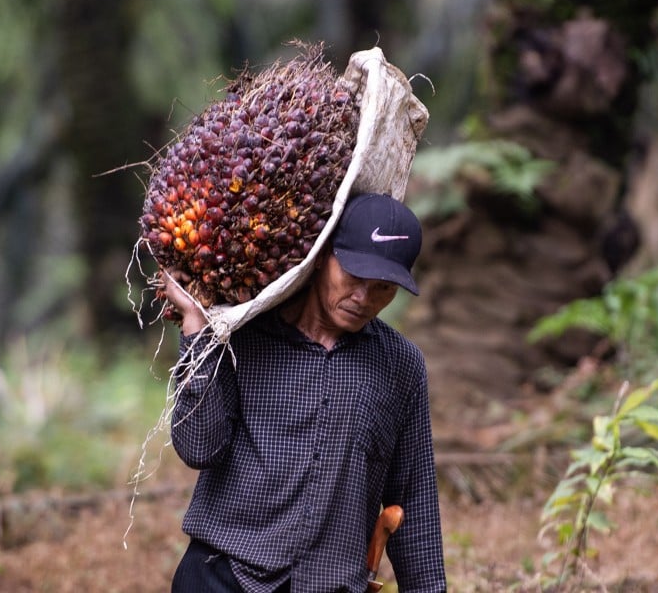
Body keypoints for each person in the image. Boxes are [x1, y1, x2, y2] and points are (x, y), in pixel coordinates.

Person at [161, 192, 447, 593]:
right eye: (354, 277)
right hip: (221, 574)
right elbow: (198, 449)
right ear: (323, 255)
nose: (364, 298)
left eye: (383, 288)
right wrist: (196, 330)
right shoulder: (244, 334)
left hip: (329, 583)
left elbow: (413, 505)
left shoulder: (400, 366)